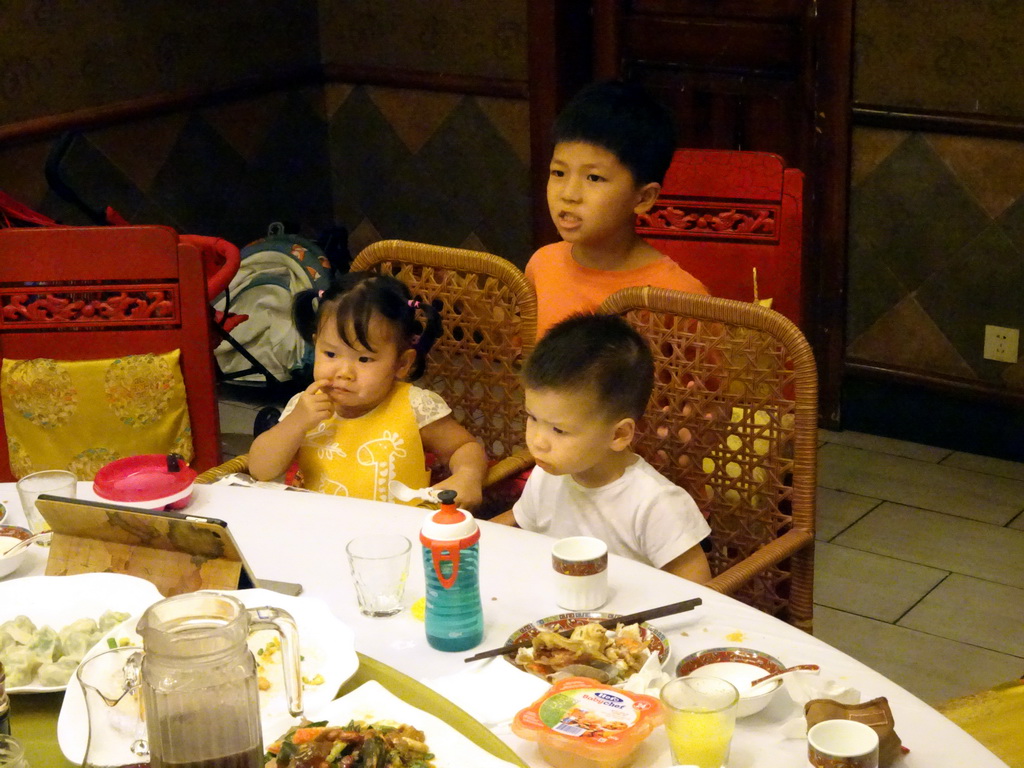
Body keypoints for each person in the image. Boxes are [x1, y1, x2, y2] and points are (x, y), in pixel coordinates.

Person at [492, 313, 712, 583]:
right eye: (532, 418)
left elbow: (701, 594)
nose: (538, 441)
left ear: (619, 434)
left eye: (559, 430)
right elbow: (519, 534)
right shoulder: (547, 475)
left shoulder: (655, 505)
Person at [248, 272, 488, 509]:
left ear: (401, 363)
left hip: (399, 537)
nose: (344, 372)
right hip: (320, 531)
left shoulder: (414, 405)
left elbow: (464, 447)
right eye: (330, 354)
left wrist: (467, 475)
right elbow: (260, 470)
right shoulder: (306, 406)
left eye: (364, 359)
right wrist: (295, 423)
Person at [527, 79, 708, 337]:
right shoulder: (543, 264)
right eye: (558, 172)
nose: (568, 194)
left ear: (644, 198)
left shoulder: (678, 295)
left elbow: (704, 376)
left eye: (594, 178)